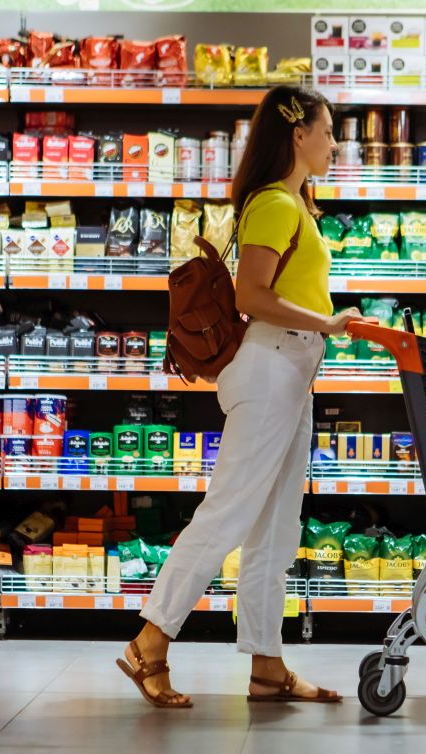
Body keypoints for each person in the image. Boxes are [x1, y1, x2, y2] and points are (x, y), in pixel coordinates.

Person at [117, 85, 361, 707]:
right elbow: (252, 297)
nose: (335, 143)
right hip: (271, 370)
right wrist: (326, 323)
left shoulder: (292, 203)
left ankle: (267, 665)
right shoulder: (277, 205)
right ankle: (149, 644)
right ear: (297, 135)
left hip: (290, 373)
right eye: (328, 130)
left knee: (276, 531)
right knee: (225, 515)